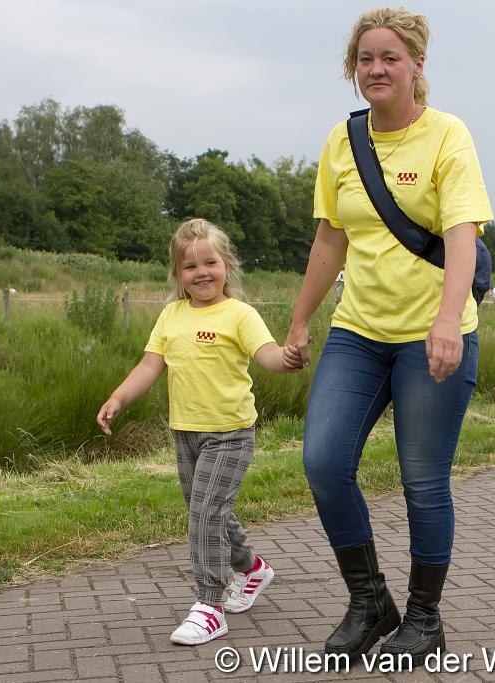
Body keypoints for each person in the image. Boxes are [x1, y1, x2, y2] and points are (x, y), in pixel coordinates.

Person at [282, 7, 493, 666]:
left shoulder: (448, 135)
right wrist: (300, 319)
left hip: (433, 336)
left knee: (422, 481)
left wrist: (447, 319)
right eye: (365, 58)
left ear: (416, 65)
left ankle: (425, 618)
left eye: (390, 57)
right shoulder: (341, 142)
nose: (376, 68)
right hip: (359, 332)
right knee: (324, 462)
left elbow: (461, 235)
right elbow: (330, 238)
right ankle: (370, 601)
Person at [95, 219, 301, 645]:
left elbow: (267, 355)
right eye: (190, 266)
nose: (201, 272)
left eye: (210, 262)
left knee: (206, 514)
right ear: (177, 273)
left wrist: (288, 358)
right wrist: (118, 398)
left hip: (230, 434)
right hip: (185, 433)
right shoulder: (171, 315)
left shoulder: (240, 314)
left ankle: (210, 605)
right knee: (207, 511)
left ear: (227, 265)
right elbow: (150, 365)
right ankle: (252, 568)